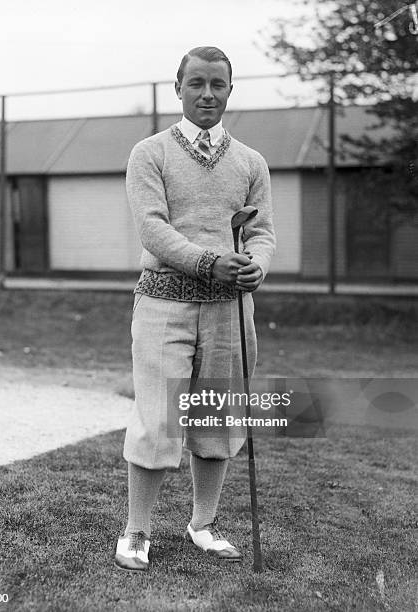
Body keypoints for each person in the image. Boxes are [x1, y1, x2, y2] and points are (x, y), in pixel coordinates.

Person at [115, 46, 276, 571]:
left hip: (230, 310)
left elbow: (262, 233)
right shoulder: (150, 153)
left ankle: (202, 524)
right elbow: (153, 229)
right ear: (178, 87)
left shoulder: (251, 161)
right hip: (165, 303)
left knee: (216, 418)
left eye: (218, 85)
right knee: (158, 420)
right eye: (197, 84)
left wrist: (255, 265)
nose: (208, 94)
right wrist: (210, 262)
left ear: (231, 89)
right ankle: (137, 532)